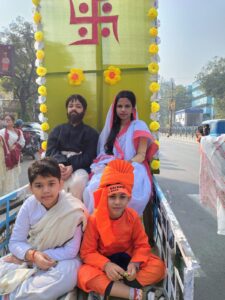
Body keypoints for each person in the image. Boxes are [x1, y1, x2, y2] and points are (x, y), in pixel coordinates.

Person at [0, 158, 87, 299]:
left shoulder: (73, 210)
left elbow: (71, 250)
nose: (46, 191)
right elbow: (16, 241)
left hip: (60, 261)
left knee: (70, 272)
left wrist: (38, 257)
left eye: (51, 184)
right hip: (30, 255)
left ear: (60, 184)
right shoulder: (29, 205)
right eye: (39, 186)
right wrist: (32, 256)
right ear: (31, 188)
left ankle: (12, 295)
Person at [78, 159, 166, 299]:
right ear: (105, 197)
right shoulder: (94, 219)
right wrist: (106, 265)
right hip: (104, 264)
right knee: (84, 274)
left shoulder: (133, 216)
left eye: (122, 197)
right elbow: (87, 252)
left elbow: (142, 244)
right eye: (112, 197)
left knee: (159, 267)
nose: (117, 202)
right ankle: (135, 294)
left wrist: (135, 264)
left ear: (128, 198)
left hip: (129, 262)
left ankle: (113, 288)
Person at [83, 90, 158, 215]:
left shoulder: (139, 126)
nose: (123, 110)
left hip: (134, 166)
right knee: (93, 187)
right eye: (120, 106)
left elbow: (141, 155)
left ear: (133, 109)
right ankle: (98, 224)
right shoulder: (112, 130)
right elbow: (105, 153)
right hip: (113, 165)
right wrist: (112, 165)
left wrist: (124, 165)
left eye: (127, 106)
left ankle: (126, 226)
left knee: (131, 192)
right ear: (115, 108)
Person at [46, 94, 99, 200]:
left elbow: (90, 155)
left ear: (84, 111)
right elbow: (51, 151)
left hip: (81, 167)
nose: (74, 108)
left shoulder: (91, 133)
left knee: (78, 183)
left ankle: (75, 213)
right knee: (54, 183)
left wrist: (72, 166)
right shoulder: (57, 130)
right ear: (67, 110)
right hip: (58, 166)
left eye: (78, 106)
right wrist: (60, 164)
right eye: (71, 106)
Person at [0, 114, 25, 196]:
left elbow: (22, 142)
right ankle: (6, 195)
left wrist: (15, 147)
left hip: (15, 157)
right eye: (5, 120)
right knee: (7, 176)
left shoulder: (18, 131)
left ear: (13, 121)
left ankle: (14, 194)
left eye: (8, 120)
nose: (6, 121)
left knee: (14, 175)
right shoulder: (2, 132)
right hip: (5, 158)